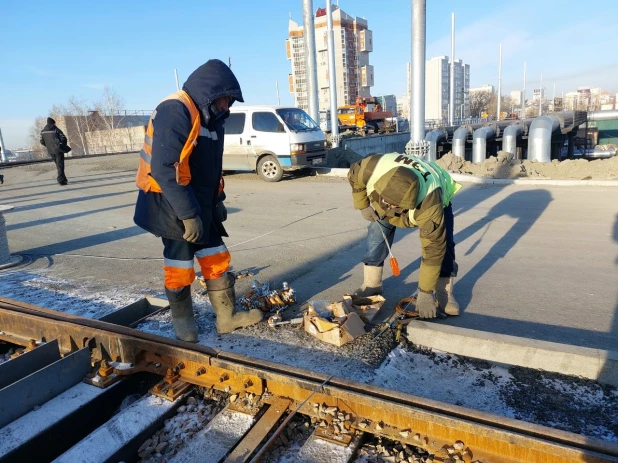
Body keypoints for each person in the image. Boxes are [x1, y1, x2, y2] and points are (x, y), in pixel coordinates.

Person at [133, 59, 262, 342]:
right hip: (170, 203)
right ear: (212, 93)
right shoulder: (175, 110)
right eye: (226, 100)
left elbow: (211, 167)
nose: (228, 107)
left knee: (216, 257)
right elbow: (165, 169)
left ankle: (226, 318)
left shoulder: (213, 119)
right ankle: (184, 327)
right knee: (179, 267)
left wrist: (218, 200)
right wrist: (188, 215)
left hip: (201, 202)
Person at [348, 152, 462, 318]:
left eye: (392, 205)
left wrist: (425, 293)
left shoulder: (430, 204)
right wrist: (363, 204)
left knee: (444, 246)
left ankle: (444, 293)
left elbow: (433, 250)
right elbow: (354, 174)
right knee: (376, 234)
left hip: (438, 192)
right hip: (394, 185)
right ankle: (372, 284)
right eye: (385, 201)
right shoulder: (372, 167)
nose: (387, 206)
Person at [40, 117, 69, 185]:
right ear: (53, 123)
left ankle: (63, 178)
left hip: (50, 150)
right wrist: (62, 146)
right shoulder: (56, 130)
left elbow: (41, 141)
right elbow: (64, 138)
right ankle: (61, 180)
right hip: (58, 150)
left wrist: (48, 146)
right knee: (60, 165)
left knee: (58, 165)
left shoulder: (42, 132)